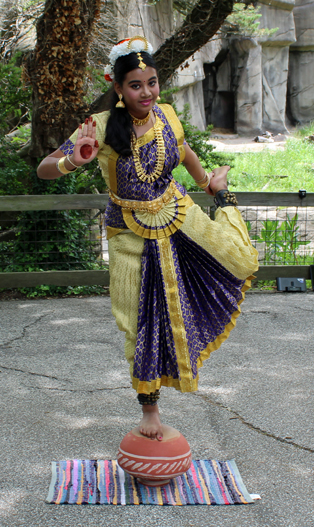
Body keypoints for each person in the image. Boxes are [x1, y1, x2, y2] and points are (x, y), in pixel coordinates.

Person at [37, 36, 259, 441]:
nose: (147, 92)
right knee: (139, 321)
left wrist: (207, 183)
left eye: (152, 83)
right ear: (119, 88)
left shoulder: (167, 116)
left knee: (238, 260)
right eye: (136, 85)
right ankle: (150, 410)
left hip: (178, 214)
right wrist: (74, 159)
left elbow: (184, 148)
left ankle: (226, 199)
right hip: (128, 233)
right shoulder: (100, 126)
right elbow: (44, 168)